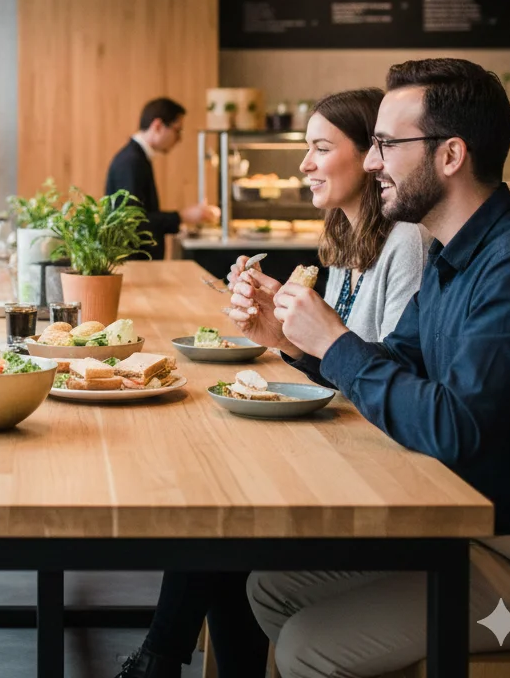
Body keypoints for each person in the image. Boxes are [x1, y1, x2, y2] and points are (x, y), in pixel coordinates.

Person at [245, 59, 510, 678]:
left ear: (450, 155)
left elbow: (454, 426)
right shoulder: (451, 254)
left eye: (386, 144)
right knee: (270, 587)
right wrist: (294, 341)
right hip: (475, 530)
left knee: (310, 644)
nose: (369, 161)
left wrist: (334, 344)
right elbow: (396, 366)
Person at [116, 88, 429, 678]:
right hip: (345, 445)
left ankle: (157, 658)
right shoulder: (345, 238)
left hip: (380, 465)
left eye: (319, 148)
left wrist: (300, 337)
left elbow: (389, 375)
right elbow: (334, 359)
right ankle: (160, 658)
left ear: (368, 157)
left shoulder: (405, 243)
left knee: (224, 516)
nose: (305, 164)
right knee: (221, 503)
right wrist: (280, 333)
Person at [105, 97, 218, 260]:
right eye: (177, 130)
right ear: (157, 126)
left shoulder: (137, 157)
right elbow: (132, 222)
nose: (179, 139)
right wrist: (182, 216)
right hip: (135, 262)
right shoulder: (131, 161)